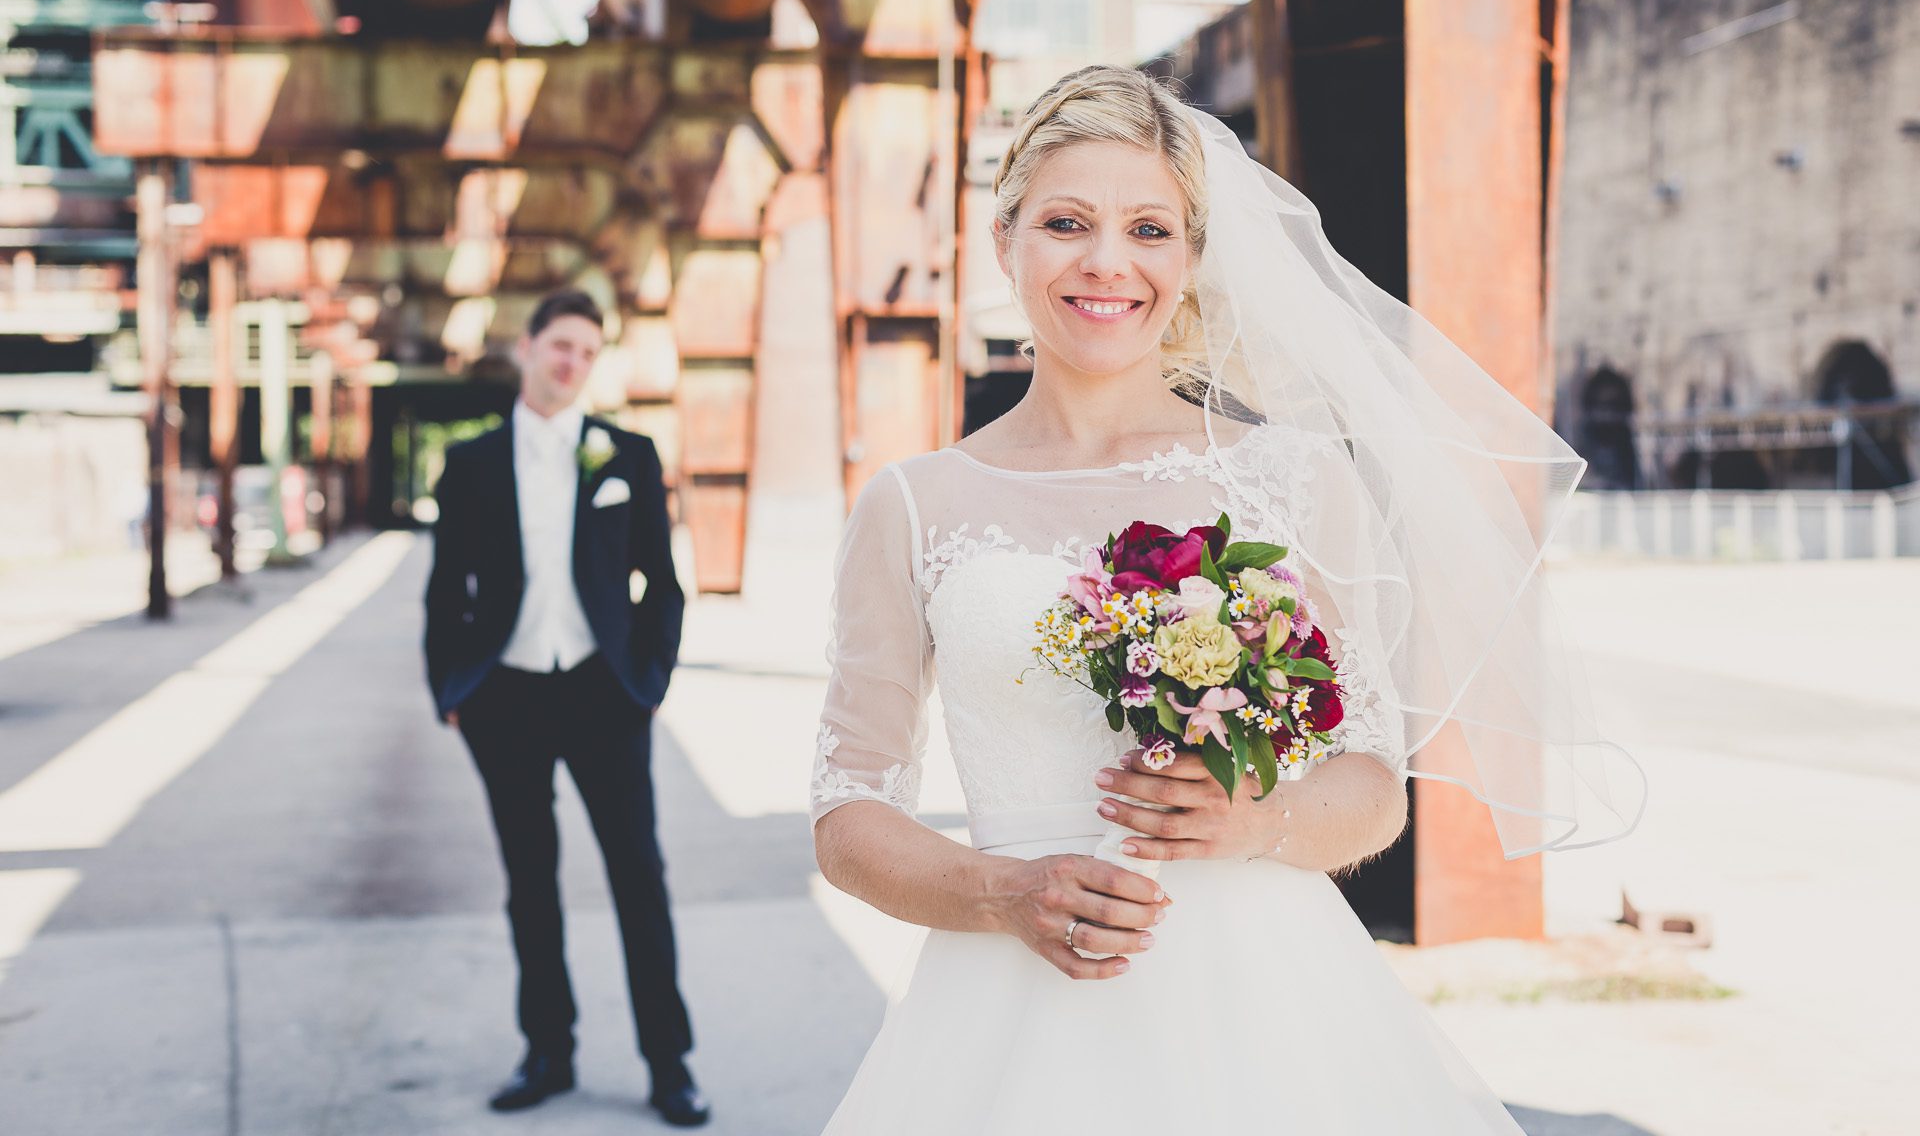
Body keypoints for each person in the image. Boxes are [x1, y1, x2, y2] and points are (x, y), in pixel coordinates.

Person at [810, 67, 1642, 1131]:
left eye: (1149, 229)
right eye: (1068, 222)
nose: (1108, 261)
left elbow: (1374, 781)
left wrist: (1262, 818)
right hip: (1010, 1007)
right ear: (1004, 240)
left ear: (1192, 258)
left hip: (1272, 1009)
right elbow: (849, 811)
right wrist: (1001, 893)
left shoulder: (1292, 476)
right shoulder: (912, 504)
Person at [423, 289, 709, 1127]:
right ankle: (548, 1051)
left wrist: (648, 680)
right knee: (529, 881)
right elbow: (446, 591)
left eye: (588, 352)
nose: (572, 364)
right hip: (504, 694)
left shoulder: (628, 454)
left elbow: (662, 584)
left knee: (637, 878)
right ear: (526, 346)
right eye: (561, 346)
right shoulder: (470, 462)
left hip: (601, 692)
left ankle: (669, 1064)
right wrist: (452, 690)